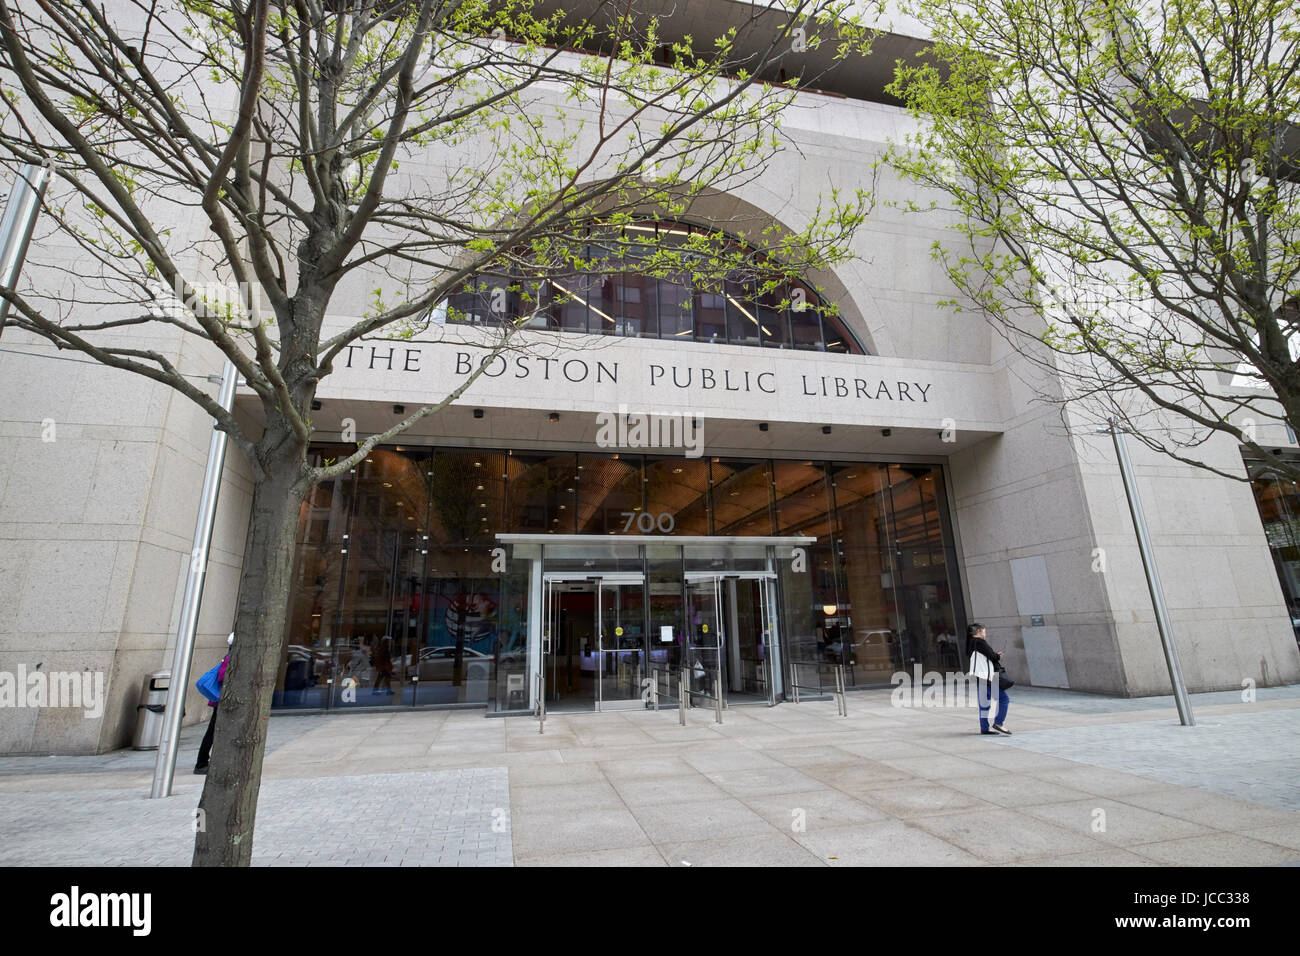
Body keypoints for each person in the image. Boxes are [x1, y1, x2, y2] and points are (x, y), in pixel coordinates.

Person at [195, 632, 233, 774]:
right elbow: (223, 677)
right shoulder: (230, 659)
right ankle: (201, 763)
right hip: (223, 701)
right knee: (213, 731)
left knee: (215, 731)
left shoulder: (229, 658)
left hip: (222, 700)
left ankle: (207, 760)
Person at [966, 622, 1011, 735]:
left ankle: (984, 728)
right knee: (1004, 699)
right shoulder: (980, 642)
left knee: (984, 703)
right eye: (984, 631)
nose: (985, 633)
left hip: (979, 677)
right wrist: (999, 656)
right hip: (987, 677)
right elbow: (992, 656)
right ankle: (999, 723)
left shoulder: (970, 643)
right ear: (979, 632)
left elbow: (984, 656)